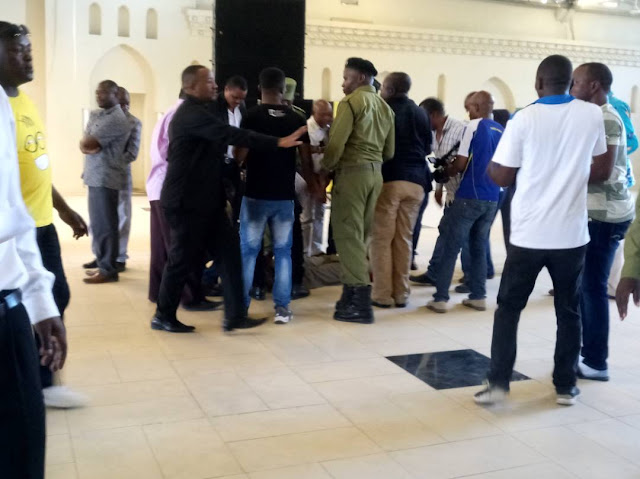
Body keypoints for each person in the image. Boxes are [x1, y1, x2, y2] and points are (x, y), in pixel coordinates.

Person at [475, 55, 609, 407]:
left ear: (538, 83)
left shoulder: (524, 117)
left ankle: (498, 383)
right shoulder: (591, 114)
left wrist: (492, 166)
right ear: (570, 82)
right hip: (571, 235)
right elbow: (600, 168)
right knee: (569, 311)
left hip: (529, 235)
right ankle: (565, 386)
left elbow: (503, 175)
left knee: (509, 309)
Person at [153, 65, 306, 333]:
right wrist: (277, 142)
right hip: (186, 200)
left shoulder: (203, 111)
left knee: (230, 254)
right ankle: (163, 315)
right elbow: (232, 135)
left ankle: (235, 316)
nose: (215, 85)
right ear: (190, 87)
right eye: (209, 81)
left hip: (207, 200)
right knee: (180, 260)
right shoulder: (190, 114)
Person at [0, 21, 86, 408]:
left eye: (29, 49)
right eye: (17, 50)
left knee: (56, 294)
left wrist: (64, 209)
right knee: (29, 303)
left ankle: (44, 378)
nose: (28, 57)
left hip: (40, 222)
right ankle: (38, 380)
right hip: (17, 232)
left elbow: (36, 166)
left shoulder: (21, 102)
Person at [0, 69, 68, 479]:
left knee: (22, 446)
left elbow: (12, 208)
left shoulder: (4, 104)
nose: (25, 52)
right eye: (15, 44)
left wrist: (41, 303)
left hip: (7, 301)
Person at [570, 62, 634, 381]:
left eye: (576, 82)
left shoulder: (606, 117)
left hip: (605, 215)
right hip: (597, 213)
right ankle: (588, 354)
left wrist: (561, 174)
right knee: (587, 285)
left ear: (594, 85)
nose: (571, 89)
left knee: (592, 286)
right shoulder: (594, 115)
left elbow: (602, 171)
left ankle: (595, 362)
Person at [321, 57, 395, 324]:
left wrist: (325, 168)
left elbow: (336, 145)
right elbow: (389, 151)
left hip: (352, 175)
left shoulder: (351, 103)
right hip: (375, 175)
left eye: (346, 78)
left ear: (361, 78)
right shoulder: (386, 108)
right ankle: (349, 296)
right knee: (360, 236)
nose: (343, 84)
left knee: (347, 236)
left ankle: (361, 303)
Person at [236, 67, 312, 324]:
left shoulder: (251, 116)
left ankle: (241, 307)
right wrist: (314, 185)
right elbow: (306, 159)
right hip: (284, 196)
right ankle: (282, 308)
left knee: (248, 252)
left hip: (255, 194)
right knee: (283, 253)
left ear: (259, 89)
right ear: (283, 89)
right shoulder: (297, 118)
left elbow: (240, 155)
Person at [426, 91, 503, 314]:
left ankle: (440, 298)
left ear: (477, 107)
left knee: (451, 246)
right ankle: (478, 296)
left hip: (470, 194)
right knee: (478, 246)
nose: (468, 113)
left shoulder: (473, 126)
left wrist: (445, 172)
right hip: (492, 197)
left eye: (469, 108)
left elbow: (460, 164)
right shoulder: (501, 130)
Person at [146, 82, 215, 310]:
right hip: (173, 187)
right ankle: (190, 297)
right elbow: (176, 154)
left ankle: (158, 292)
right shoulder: (183, 116)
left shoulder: (170, 112)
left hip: (158, 186)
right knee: (182, 247)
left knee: (162, 247)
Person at [370, 72, 431, 308]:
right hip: (417, 183)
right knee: (404, 239)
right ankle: (401, 294)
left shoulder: (383, 110)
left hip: (391, 179)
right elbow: (427, 147)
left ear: (391, 90)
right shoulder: (421, 112)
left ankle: (382, 294)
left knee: (382, 239)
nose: (380, 92)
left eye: (383, 88)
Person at [80, 80, 132, 283]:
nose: (98, 96)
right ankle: (103, 264)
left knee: (106, 225)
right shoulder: (98, 115)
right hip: (94, 176)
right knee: (98, 225)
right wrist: (87, 143)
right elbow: (85, 141)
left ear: (115, 94)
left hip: (106, 177)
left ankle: (109, 269)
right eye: (97, 92)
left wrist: (88, 143)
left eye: (103, 93)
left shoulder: (117, 119)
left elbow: (88, 141)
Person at [410, 98, 465, 286]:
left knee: (452, 233)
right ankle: (477, 274)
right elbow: (440, 163)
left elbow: (465, 161)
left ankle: (438, 274)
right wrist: (439, 189)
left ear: (433, 115)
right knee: (450, 231)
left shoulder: (460, 129)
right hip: (451, 192)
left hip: (465, 192)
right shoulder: (432, 134)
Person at [298, 99, 333, 257]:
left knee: (320, 214)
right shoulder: (306, 128)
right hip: (307, 177)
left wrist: (324, 180)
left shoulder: (329, 130)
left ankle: (317, 249)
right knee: (306, 216)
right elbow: (304, 158)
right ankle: (305, 250)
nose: (327, 118)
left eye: (329, 114)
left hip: (323, 177)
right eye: (323, 114)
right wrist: (312, 181)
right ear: (314, 113)